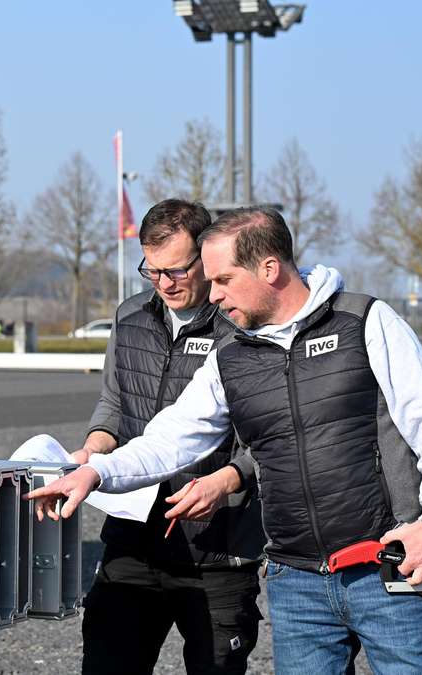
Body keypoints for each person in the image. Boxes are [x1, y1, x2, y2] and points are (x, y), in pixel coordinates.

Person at [28, 207, 422, 674]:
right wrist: (96, 471)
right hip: (296, 583)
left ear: (269, 269)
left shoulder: (365, 322)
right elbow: (170, 438)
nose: (213, 295)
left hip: (386, 569)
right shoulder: (232, 354)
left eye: (222, 279)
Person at [73, 199, 264, 674]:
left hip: (217, 549)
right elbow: (114, 404)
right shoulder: (131, 317)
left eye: (177, 269)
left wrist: (226, 480)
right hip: (132, 542)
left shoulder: (241, 326)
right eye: (151, 270)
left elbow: (269, 435)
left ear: (206, 258)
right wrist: (94, 446)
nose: (164, 283)